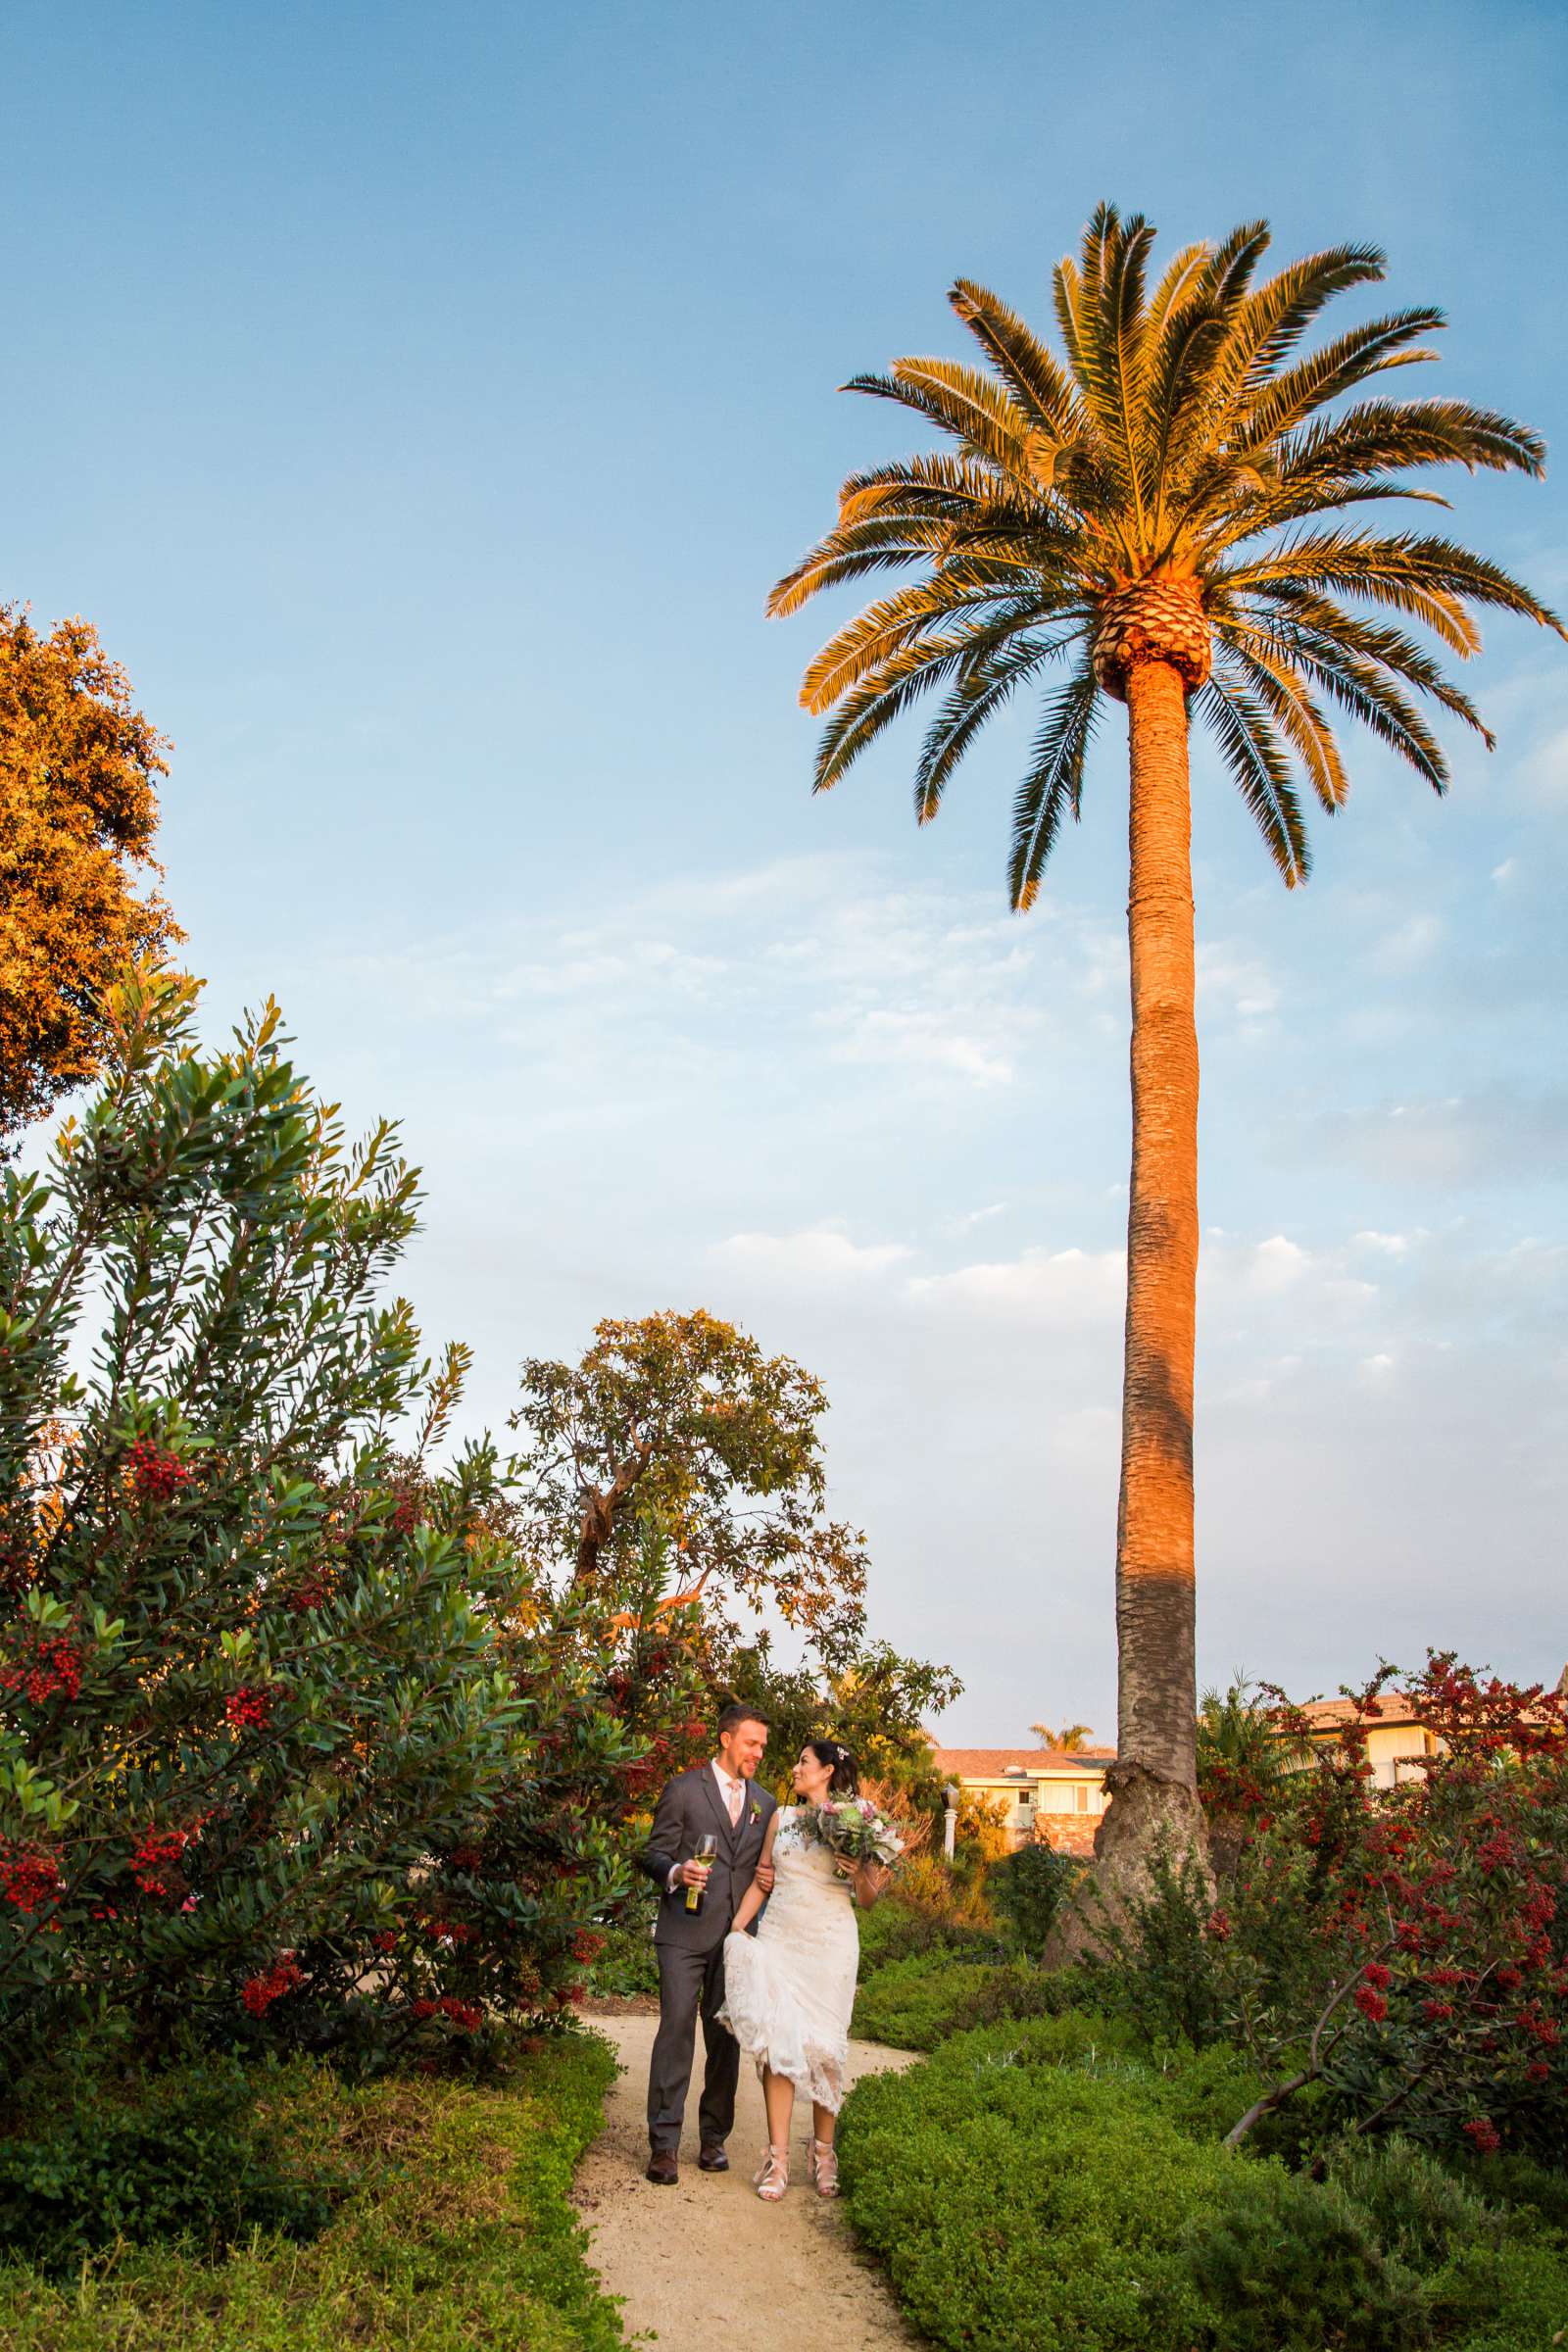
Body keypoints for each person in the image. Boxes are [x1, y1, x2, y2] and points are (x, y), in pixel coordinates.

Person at [718, 1738, 890, 2202]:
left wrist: (858, 1872)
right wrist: (735, 1930)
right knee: (777, 2046)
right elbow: (762, 1878)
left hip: (831, 1945)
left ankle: (824, 2155)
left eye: (804, 1762)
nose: (795, 1769)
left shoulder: (859, 1820)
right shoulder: (782, 1819)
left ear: (827, 1771)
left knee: (824, 2051)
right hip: (781, 1938)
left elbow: (870, 1898)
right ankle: (778, 2161)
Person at [636, 1704, 777, 2185]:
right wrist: (676, 1872)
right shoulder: (683, 1789)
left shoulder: (767, 1803)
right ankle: (664, 2145)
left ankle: (714, 2138)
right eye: (751, 1742)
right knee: (675, 2030)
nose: (759, 1752)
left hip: (737, 1937)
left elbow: (764, 1868)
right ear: (725, 1739)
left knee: (726, 2040)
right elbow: (652, 1853)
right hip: (682, 1933)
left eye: (762, 1745)